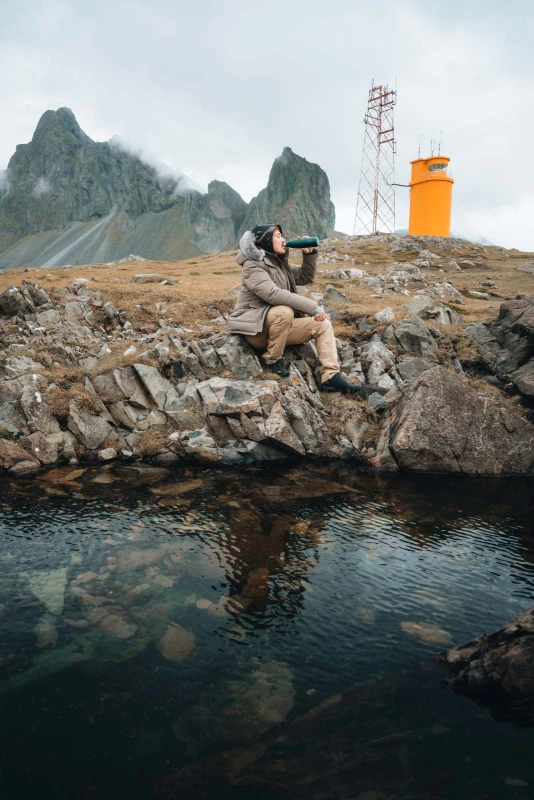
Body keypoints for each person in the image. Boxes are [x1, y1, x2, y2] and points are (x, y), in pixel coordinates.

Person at [228, 224, 368, 393]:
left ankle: (330, 377)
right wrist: (313, 307)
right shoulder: (252, 265)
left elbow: (304, 276)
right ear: (265, 240)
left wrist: (308, 255)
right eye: (278, 236)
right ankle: (272, 360)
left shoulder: (278, 263)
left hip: (277, 327)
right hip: (255, 330)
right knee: (284, 311)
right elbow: (272, 294)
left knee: (323, 325)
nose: (284, 239)